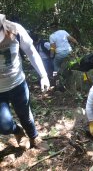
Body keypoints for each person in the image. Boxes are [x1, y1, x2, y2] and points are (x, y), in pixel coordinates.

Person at [0, 14, 50, 148]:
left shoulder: (16, 30)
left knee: (25, 115)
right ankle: (17, 131)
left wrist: (43, 75)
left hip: (17, 84)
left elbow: (31, 52)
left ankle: (34, 138)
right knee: (4, 125)